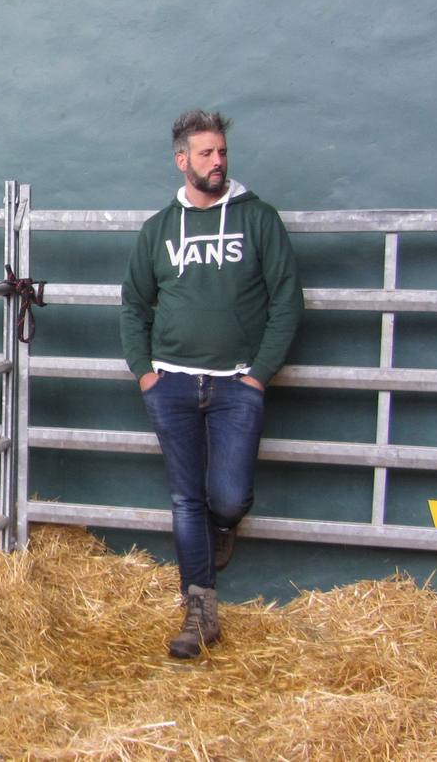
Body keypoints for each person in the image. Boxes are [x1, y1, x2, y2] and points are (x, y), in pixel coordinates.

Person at [119, 109, 304, 659]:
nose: (218, 161)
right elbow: (134, 305)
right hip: (171, 384)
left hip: (235, 388)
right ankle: (199, 607)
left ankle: (224, 525)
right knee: (184, 497)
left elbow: (286, 301)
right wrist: (146, 374)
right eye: (205, 153)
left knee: (228, 495)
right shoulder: (158, 230)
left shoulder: (258, 219)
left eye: (222, 152)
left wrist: (257, 377)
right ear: (182, 161)